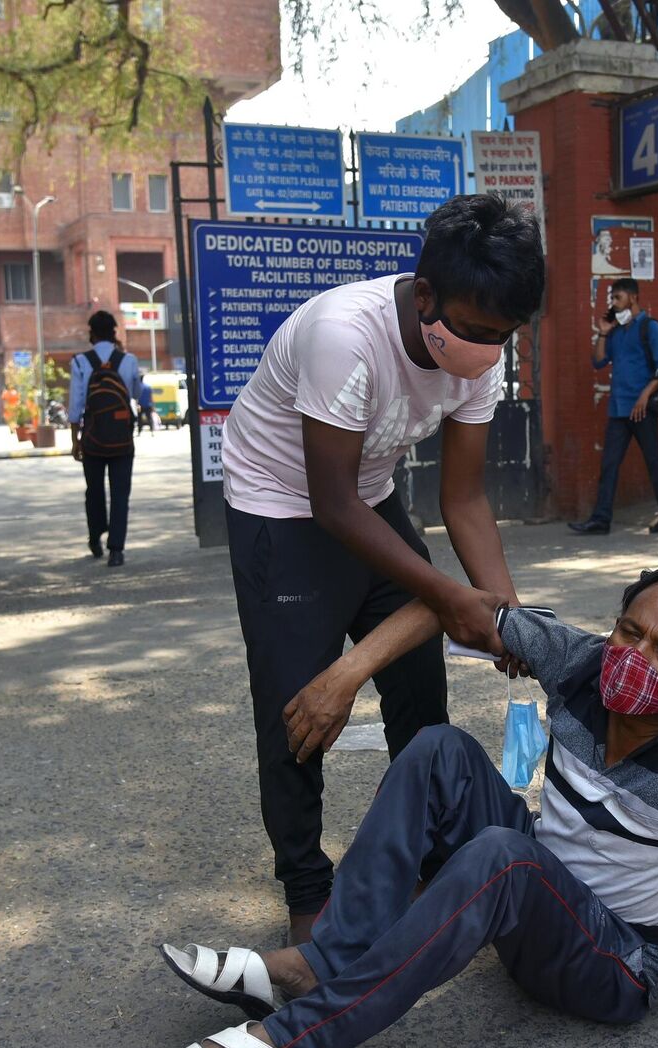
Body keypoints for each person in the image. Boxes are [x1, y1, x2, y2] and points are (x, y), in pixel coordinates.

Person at [156, 568, 658, 1048]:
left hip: (617, 964)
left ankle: (297, 1040)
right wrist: (349, 670)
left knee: (505, 855)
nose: (634, 657)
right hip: (542, 892)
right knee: (436, 750)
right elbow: (457, 606)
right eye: (630, 631)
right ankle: (320, 961)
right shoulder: (586, 663)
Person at [218, 193, 544, 946]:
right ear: (426, 297)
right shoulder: (346, 337)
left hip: (367, 494)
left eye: (506, 336)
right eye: (476, 332)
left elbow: (462, 497)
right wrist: (456, 599)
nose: (487, 352)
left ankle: (430, 854)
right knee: (298, 713)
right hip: (282, 504)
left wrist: (504, 611)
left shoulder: (479, 351)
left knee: (420, 691)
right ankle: (307, 894)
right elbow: (329, 505)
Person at [568, 276, 658, 536]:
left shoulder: (650, 328)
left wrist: (644, 397)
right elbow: (598, 362)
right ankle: (601, 519)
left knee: (654, 462)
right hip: (619, 409)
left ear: (633, 297)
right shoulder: (616, 331)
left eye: (618, 298)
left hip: (643, 408)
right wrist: (602, 333)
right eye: (612, 299)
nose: (614, 304)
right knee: (609, 464)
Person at [67, 310, 143, 568]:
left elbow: (76, 404)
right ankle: (117, 550)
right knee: (121, 493)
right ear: (114, 333)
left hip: (93, 438)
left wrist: (75, 440)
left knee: (94, 490)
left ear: (92, 333)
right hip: (122, 438)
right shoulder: (128, 360)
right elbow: (135, 393)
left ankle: (95, 537)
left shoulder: (79, 361)